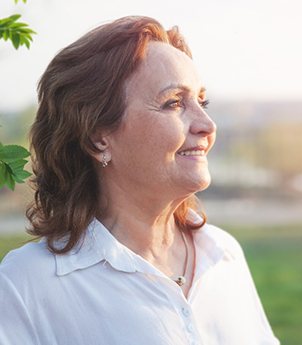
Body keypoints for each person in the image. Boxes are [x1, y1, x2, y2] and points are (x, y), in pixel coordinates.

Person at [0, 16, 280, 345]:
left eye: (202, 102)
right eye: (174, 102)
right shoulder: (26, 284)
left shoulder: (223, 254)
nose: (207, 124)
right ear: (97, 139)